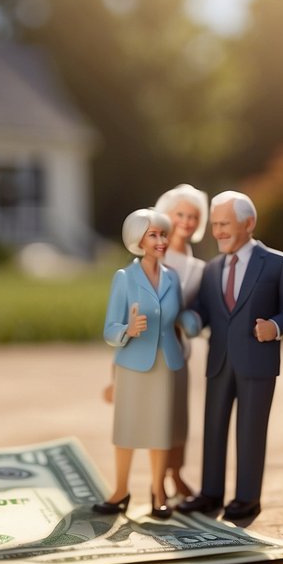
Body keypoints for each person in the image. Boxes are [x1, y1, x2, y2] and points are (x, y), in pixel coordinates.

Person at [176, 190, 283, 521]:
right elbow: (204, 310)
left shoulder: (277, 264)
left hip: (257, 363)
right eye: (215, 225)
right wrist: (187, 320)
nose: (218, 231)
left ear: (248, 223)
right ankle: (211, 493)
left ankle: (247, 498)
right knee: (213, 428)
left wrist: (275, 327)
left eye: (225, 224)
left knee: (250, 431)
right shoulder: (212, 268)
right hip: (219, 361)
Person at [95, 208, 198, 519]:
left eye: (163, 234)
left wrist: (191, 320)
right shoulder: (124, 278)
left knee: (160, 431)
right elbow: (109, 329)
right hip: (133, 363)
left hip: (167, 362)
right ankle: (120, 490)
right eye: (154, 234)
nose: (161, 240)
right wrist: (128, 329)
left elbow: (176, 315)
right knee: (127, 431)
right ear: (137, 239)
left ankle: (157, 492)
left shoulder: (172, 277)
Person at [154, 183, 209, 500]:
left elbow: (197, 306)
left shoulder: (195, 264)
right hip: (154, 347)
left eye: (193, 216)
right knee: (158, 416)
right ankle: (157, 479)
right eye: (181, 214)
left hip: (180, 349)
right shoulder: (156, 254)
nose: (187, 222)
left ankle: (176, 473)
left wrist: (192, 321)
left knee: (179, 416)